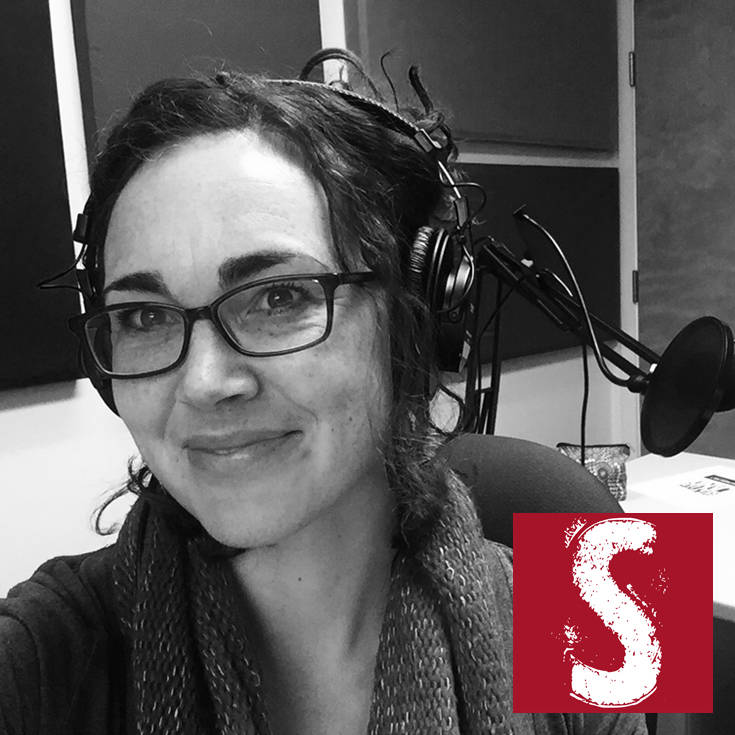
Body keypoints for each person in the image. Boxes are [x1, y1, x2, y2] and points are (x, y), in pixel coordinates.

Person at [0, 49, 647, 734]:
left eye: (279, 297)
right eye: (143, 317)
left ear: (412, 316)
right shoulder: (38, 659)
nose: (205, 382)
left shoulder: (603, 603)